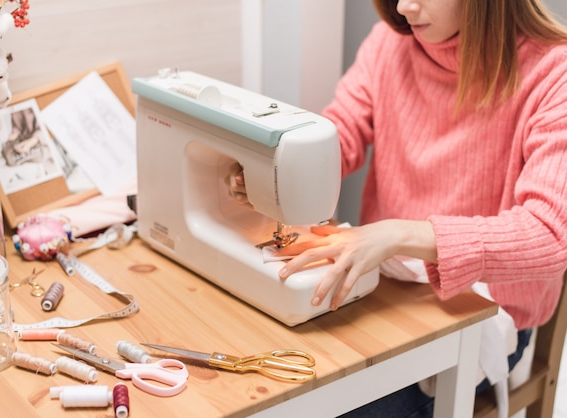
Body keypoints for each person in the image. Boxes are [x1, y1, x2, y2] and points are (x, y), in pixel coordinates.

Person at [229, 0, 567, 416]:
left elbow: (550, 234)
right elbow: (343, 135)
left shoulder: (555, 73)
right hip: (388, 290)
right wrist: (277, 174)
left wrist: (399, 234)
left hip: (485, 314)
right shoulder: (389, 43)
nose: (404, 6)